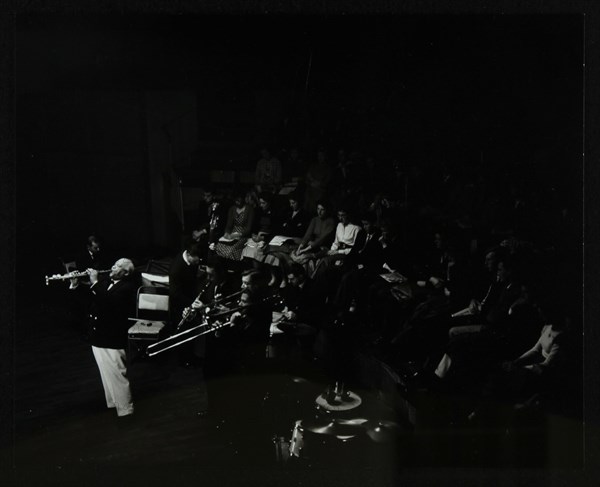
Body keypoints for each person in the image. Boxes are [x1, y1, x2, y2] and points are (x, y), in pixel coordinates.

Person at [71, 258, 137, 418]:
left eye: (119, 266)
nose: (114, 266)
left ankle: (126, 410)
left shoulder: (127, 288)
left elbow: (109, 303)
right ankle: (114, 403)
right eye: (114, 263)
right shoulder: (106, 281)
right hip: (98, 335)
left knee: (116, 373)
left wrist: (94, 282)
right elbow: (91, 298)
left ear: (126, 272)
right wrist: (76, 284)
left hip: (112, 338)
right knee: (106, 373)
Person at [213, 191, 255, 263]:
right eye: (235, 200)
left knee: (231, 250)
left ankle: (233, 266)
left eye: (239, 200)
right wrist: (226, 233)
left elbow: (249, 228)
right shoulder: (232, 209)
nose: (237, 202)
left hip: (243, 235)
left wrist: (238, 234)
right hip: (232, 234)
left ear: (243, 199)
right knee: (218, 246)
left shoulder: (249, 209)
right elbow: (229, 225)